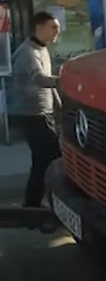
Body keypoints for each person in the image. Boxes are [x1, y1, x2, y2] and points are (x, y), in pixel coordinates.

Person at [8, 11, 61, 209]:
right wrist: (66, 80)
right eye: (53, 27)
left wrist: (58, 104)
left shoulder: (42, 49)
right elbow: (39, 78)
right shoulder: (28, 52)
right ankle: (40, 203)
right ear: (39, 28)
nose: (57, 31)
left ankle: (33, 203)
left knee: (44, 159)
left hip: (42, 114)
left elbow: (47, 81)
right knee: (51, 158)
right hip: (31, 114)